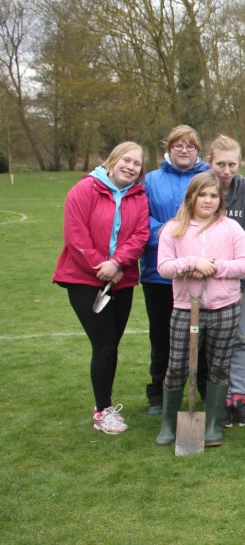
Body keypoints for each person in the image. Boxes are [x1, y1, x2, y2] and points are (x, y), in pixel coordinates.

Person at [53, 142, 150, 435]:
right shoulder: (84, 190)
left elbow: (140, 233)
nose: (131, 167)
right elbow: (75, 234)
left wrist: (119, 263)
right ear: (113, 160)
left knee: (111, 345)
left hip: (122, 279)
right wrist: (102, 266)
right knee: (105, 345)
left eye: (137, 164)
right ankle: (102, 410)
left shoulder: (139, 195)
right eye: (127, 160)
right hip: (85, 279)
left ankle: (104, 405)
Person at [154, 173, 245, 448]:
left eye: (214, 195)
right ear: (191, 197)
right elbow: (164, 267)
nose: (208, 201)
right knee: (176, 367)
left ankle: (211, 424)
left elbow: (244, 264)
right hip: (186, 308)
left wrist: (215, 267)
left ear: (220, 199)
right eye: (203, 195)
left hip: (225, 307)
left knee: (219, 366)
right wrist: (191, 262)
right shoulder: (174, 229)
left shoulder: (231, 228)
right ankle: (169, 424)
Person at [140, 125, 209, 415]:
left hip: (198, 274)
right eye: (178, 145)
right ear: (168, 148)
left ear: (197, 150)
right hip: (160, 273)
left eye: (190, 146)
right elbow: (141, 219)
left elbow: (213, 216)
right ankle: (159, 393)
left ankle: (206, 391)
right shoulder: (151, 180)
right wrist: (170, 236)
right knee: (162, 336)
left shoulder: (206, 178)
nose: (184, 150)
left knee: (202, 336)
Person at [206, 136, 245, 427]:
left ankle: (239, 395)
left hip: (240, 277)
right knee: (215, 340)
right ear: (209, 161)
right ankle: (219, 396)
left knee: (240, 338)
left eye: (232, 164)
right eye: (220, 164)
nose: (226, 171)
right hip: (207, 278)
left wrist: (239, 283)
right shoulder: (202, 187)